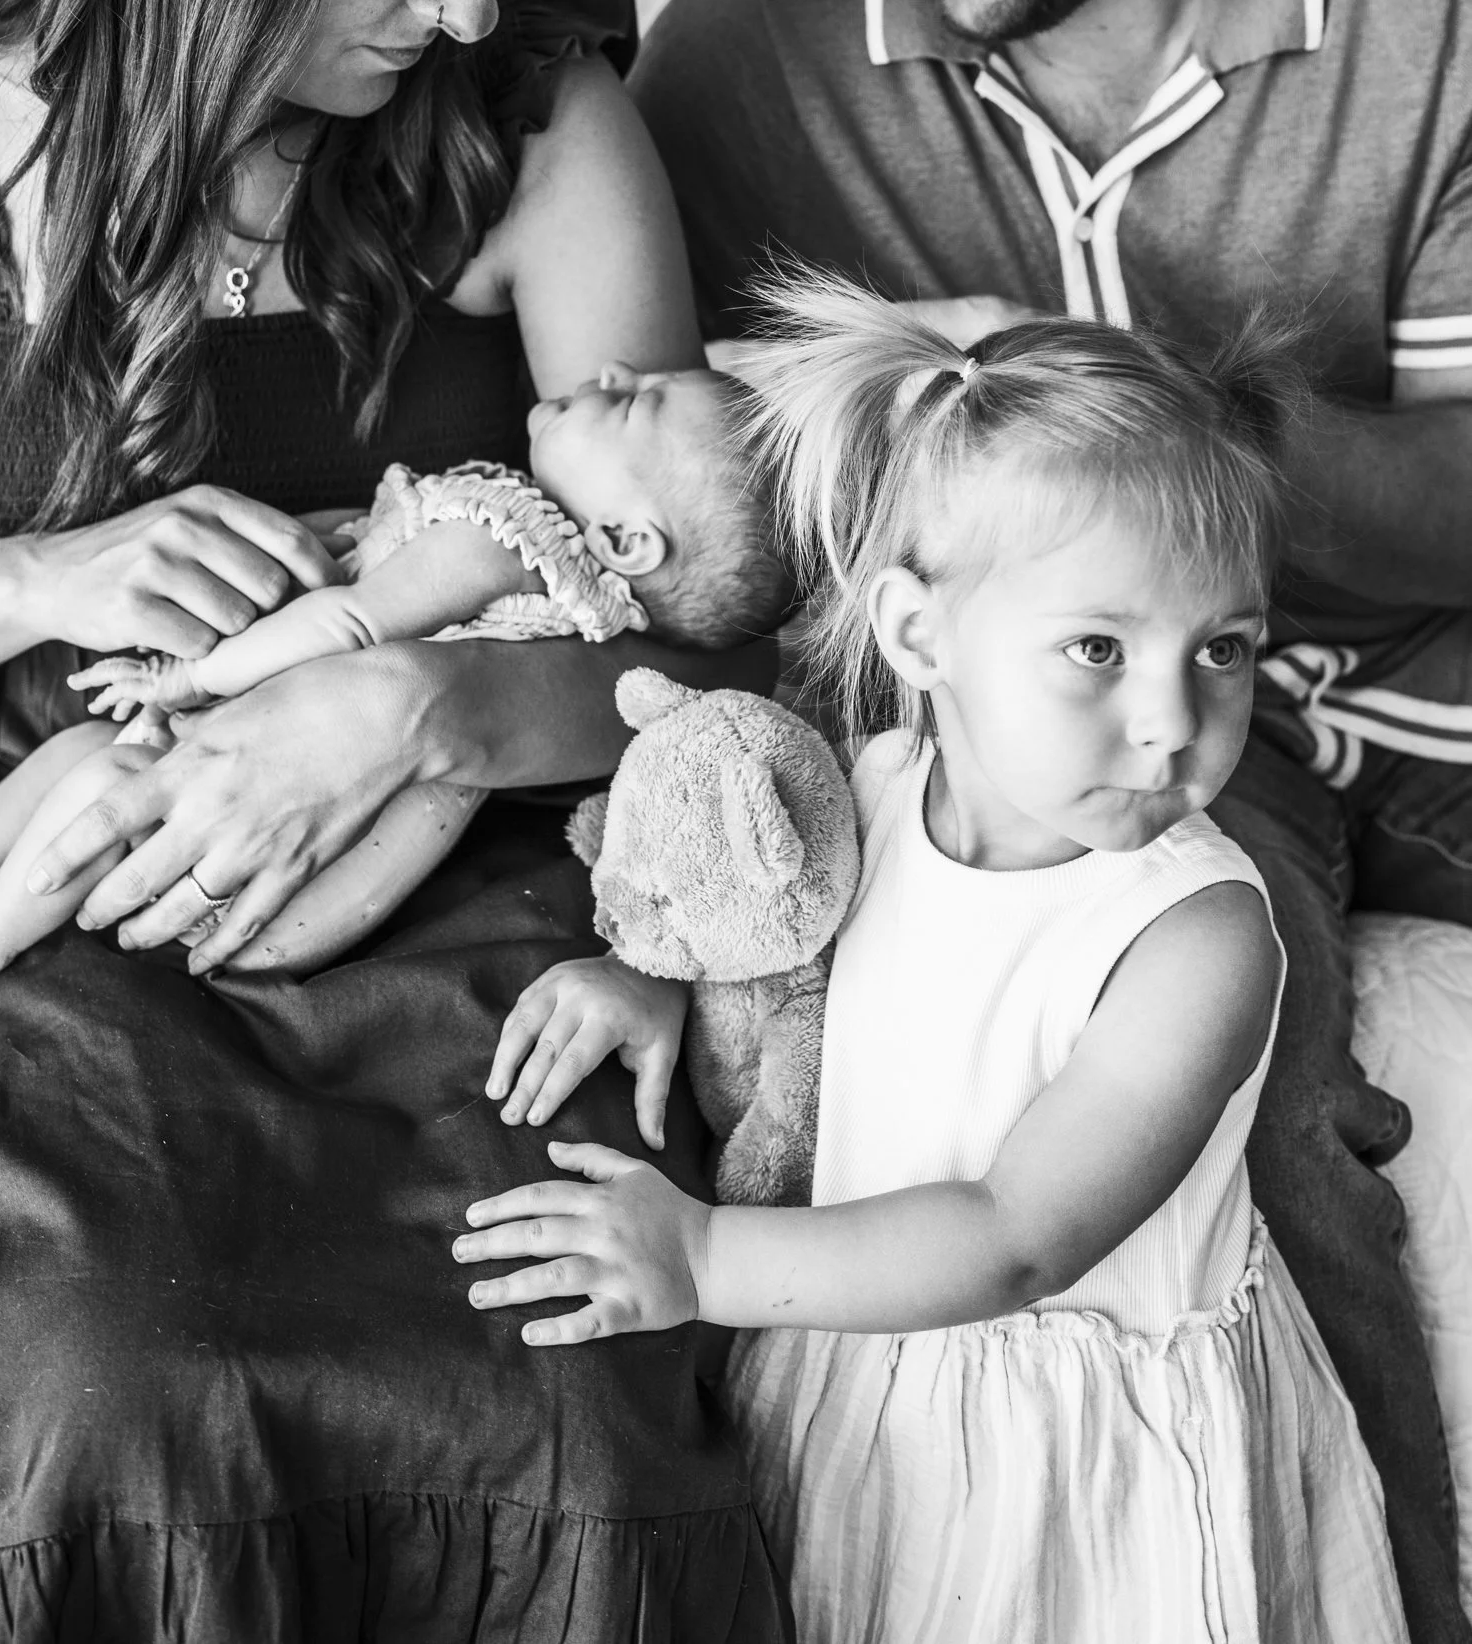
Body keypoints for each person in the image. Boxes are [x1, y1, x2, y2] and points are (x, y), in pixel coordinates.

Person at [0, 0, 790, 1638]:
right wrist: (38, 583)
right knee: (117, 1368)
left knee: (574, 1381)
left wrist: (419, 701)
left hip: (461, 844)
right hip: (68, 841)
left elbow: (693, 629)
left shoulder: (530, 121)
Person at [627, 0, 1472, 1642]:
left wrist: (1124, 397)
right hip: (1135, 755)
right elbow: (682, 501)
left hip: (1418, 676)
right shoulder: (750, 55)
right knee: (1260, 1129)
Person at [460, 281, 1408, 1643]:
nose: (1170, 721)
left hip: (1068, 1464)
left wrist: (708, 1263)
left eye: (1223, 649)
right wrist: (651, 974)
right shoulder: (872, 786)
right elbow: (760, 917)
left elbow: (1016, 1239)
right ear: (917, 636)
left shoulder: (1194, 936)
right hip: (861, 1357)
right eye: (1095, 647)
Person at [0, 364, 792, 989]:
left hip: (288, 841)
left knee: (99, 776)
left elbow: (350, 619)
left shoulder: (505, 541)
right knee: (83, 760)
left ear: (625, 537)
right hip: (351, 848)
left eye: (628, 401)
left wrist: (188, 673)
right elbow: (367, 572)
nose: (611, 368)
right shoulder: (581, 602)